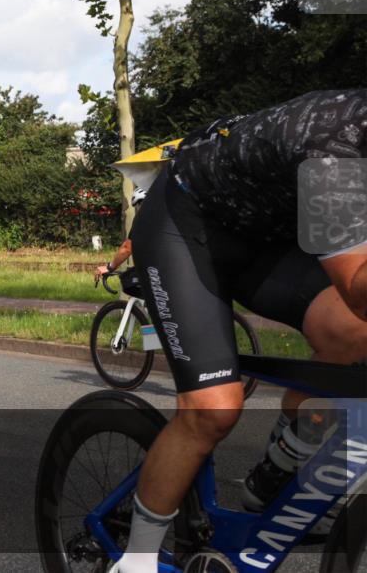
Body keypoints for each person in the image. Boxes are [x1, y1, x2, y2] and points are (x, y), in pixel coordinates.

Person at [114, 89, 367, 573]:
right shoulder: (334, 147)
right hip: (185, 226)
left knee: (351, 335)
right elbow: (359, 291)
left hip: (265, 240)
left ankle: (277, 470)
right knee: (213, 409)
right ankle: (135, 561)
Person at [94, 187, 148, 283]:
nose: (138, 210)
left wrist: (109, 267)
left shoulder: (144, 219)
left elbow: (127, 248)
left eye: (139, 205)